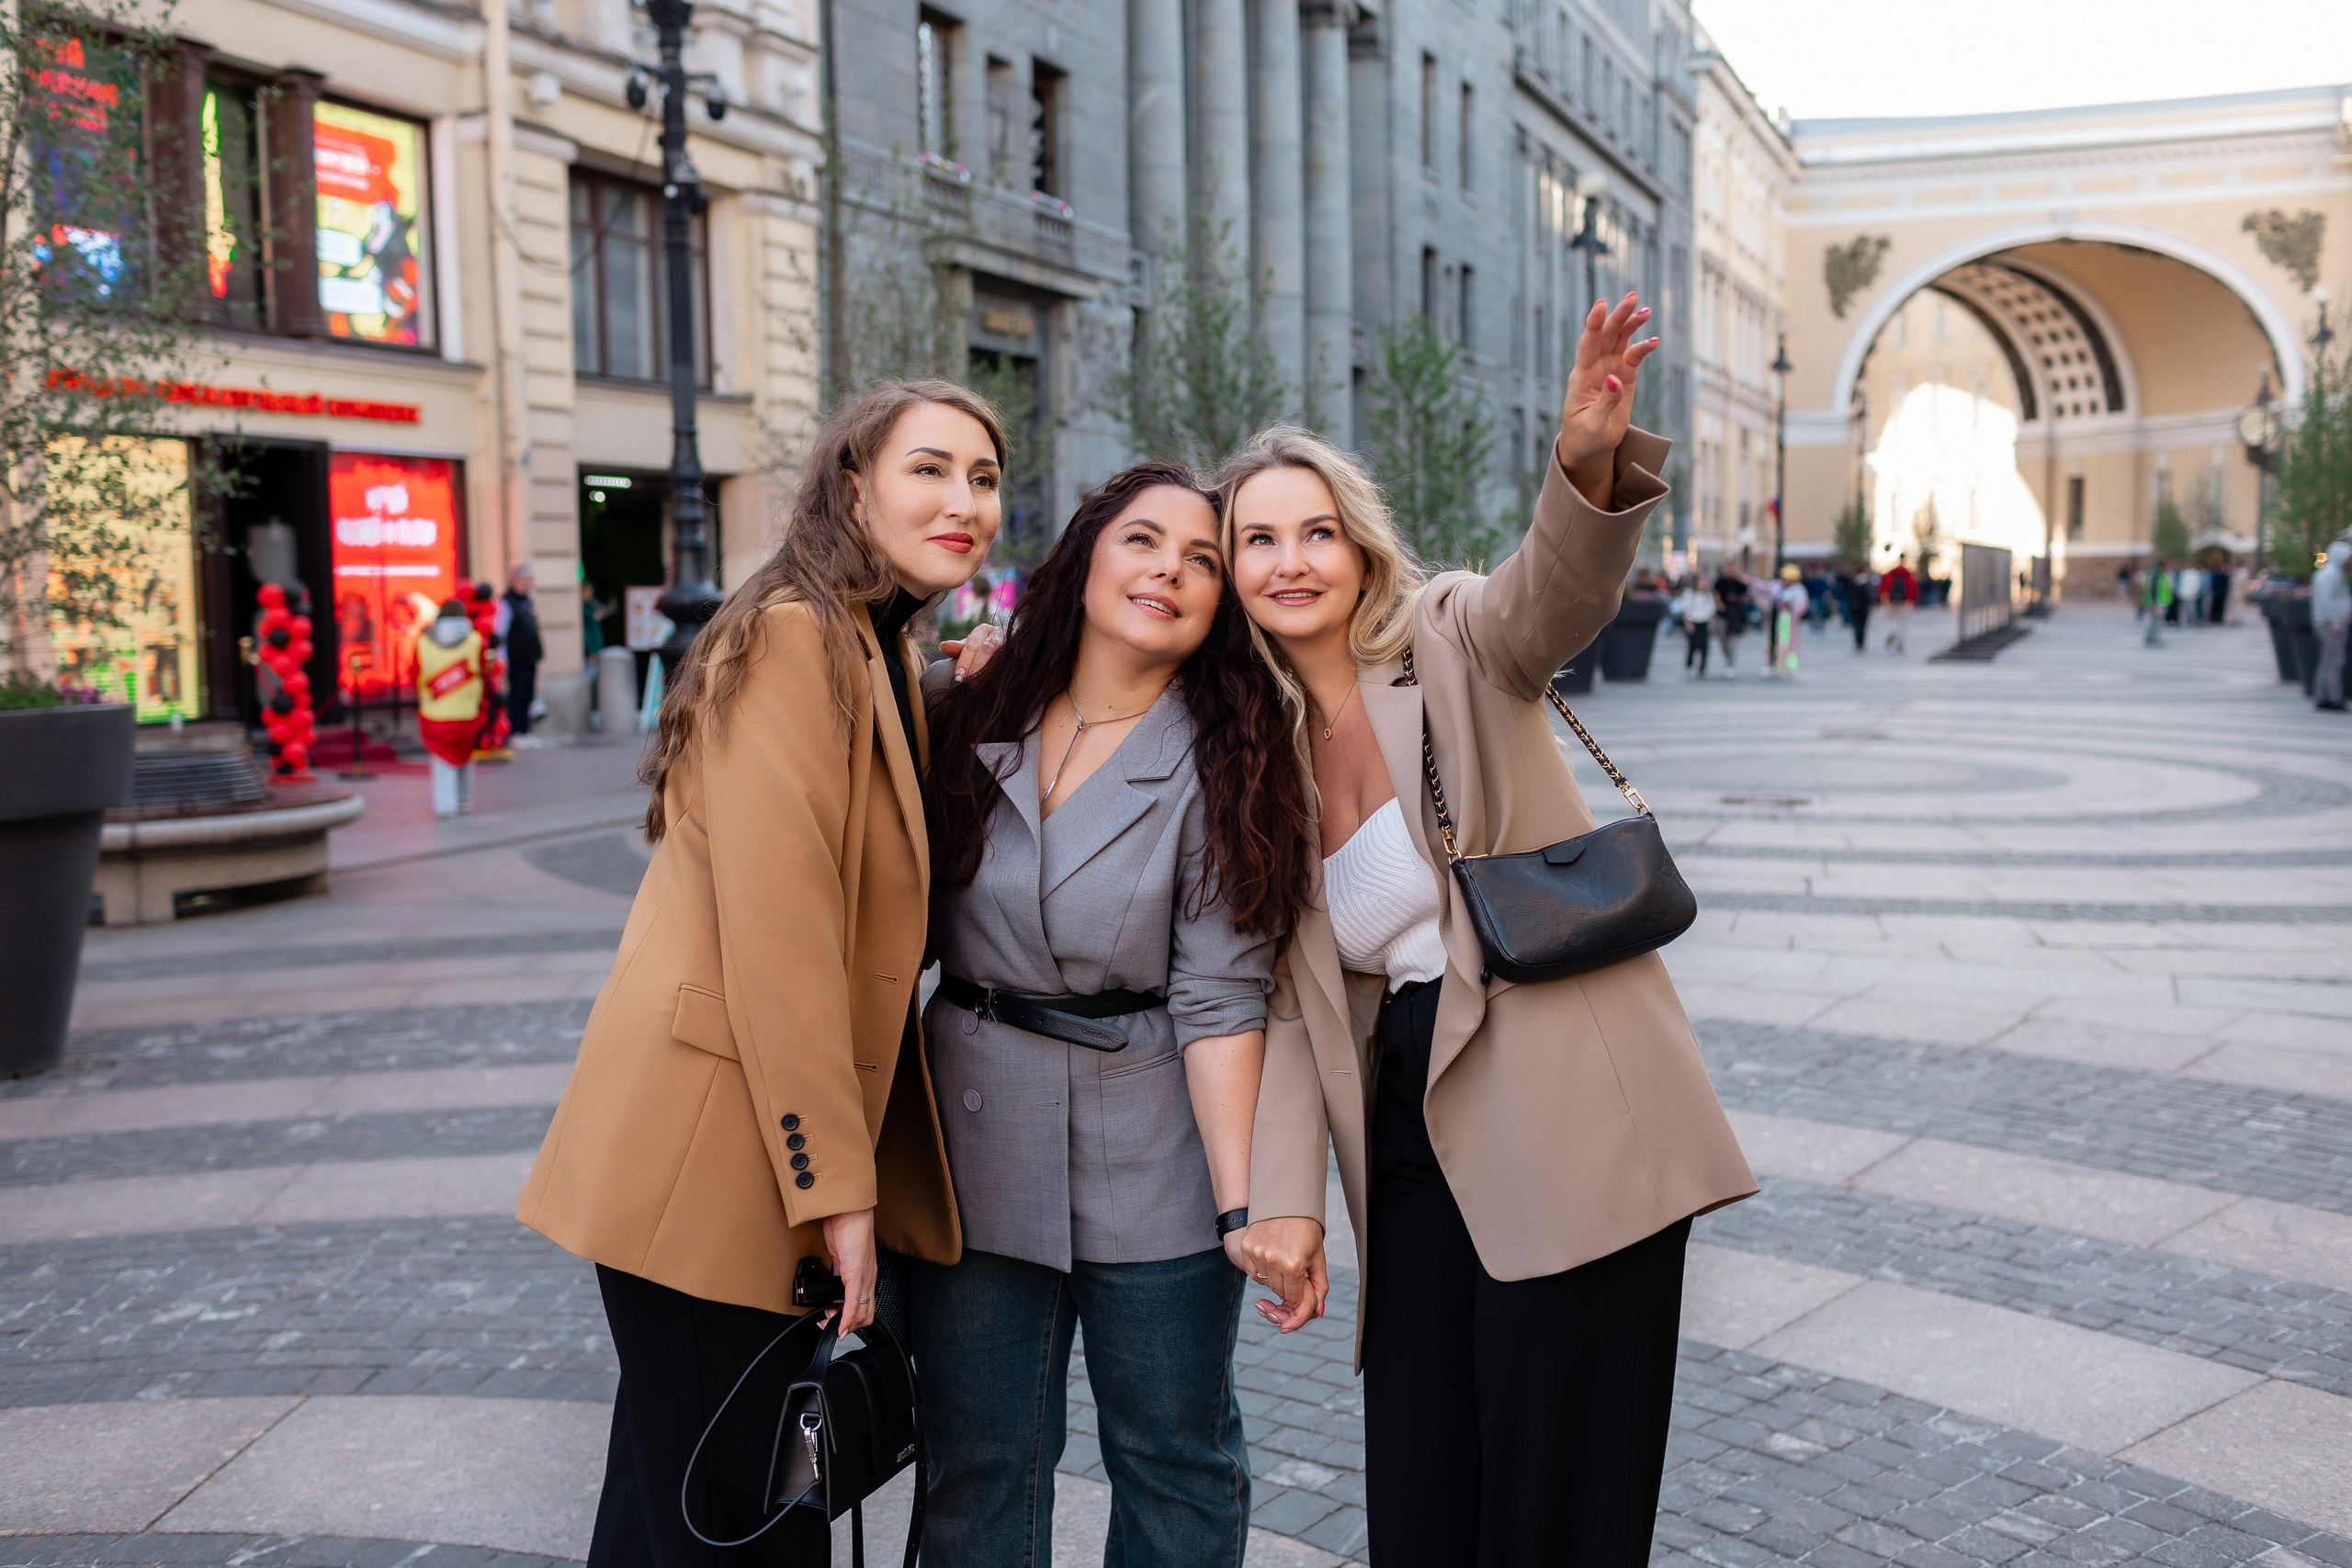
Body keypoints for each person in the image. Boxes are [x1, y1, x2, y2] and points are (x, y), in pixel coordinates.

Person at [1227, 294, 1756, 1567]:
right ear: (1229, 567)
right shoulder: (1253, 755)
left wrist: (1581, 463)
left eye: (1316, 530)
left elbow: (1554, 600)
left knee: (1557, 1486)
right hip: (1407, 1124)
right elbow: (1296, 1002)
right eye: (1256, 538)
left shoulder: (1453, 637)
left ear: (1360, 548)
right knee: (1424, 1470)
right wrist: (1284, 1202)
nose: (1290, 558)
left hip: (1566, 1102)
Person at [516, 380, 1007, 1567]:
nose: (965, 500)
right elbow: (781, 935)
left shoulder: (869, 642)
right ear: (852, 485)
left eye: (986, 477)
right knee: (730, 1520)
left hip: (723, 1158)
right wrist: (837, 1193)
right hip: (716, 1167)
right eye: (930, 468)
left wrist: (943, 691)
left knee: (671, 1508)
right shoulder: (796, 635)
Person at [910, 462, 1317, 1568]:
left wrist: (1249, 1209)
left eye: (1199, 561)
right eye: (1144, 541)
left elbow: (1221, 994)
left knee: (1174, 1462)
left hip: (1155, 1149)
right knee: (976, 1464)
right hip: (972, 1134)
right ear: (1088, 552)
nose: (1169, 573)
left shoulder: (1230, 756)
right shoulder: (964, 707)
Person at [415, 598, 486, 818]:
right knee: (465, 757)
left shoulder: (423, 642)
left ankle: (446, 806)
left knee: (441, 761)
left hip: (434, 714)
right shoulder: (475, 640)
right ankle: (464, 800)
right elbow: (484, 670)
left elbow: (414, 674)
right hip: (467, 713)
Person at [496, 562, 545, 746]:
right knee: (517, 694)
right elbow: (501, 631)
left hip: (529, 656)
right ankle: (516, 732)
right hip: (516, 658)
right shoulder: (506, 602)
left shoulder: (526, 600)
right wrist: (502, 658)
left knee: (527, 695)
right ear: (518, 579)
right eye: (528, 578)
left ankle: (525, 731)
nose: (531, 581)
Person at [2314, 540, 2349, 711]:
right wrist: (2335, 620)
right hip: (2330, 624)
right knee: (2335, 660)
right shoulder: (2330, 575)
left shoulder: (2336, 575)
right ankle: (2335, 697)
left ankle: (2324, 696)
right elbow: (2325, 600)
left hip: (2332, 623)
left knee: (2328, 661)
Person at [1770, 563, 1808, 678]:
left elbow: (1802, 604)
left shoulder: (1798, 589)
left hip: (1790, 619)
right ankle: (1778, 663)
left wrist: (1791, 608)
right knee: (1778, 643)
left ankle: (1791, 664)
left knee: (1791, 643)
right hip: (1780, 618)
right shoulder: (1778, 587)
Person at [1713, 563, 1750, 675]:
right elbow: (1716, 595)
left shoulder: (1740, 584)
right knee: (1723, 641)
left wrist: (1738, 601)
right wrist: (1720, 605)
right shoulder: (1720, 582)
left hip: (1735, 617)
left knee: (1733, 642)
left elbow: (1746, 599)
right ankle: (1728, 660)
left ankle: (1730, 663)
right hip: (1723, 617)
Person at [1675, 571, 1713, 677]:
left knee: (1704, 645)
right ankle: (1689, 663)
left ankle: (1702, 667)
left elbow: (1710, 610)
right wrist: (1688, 623)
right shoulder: (1689, 594)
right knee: (1693, 645)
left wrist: (1710, 624)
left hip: (1703, 621)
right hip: (1693, 621)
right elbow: (1685, 610)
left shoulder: (1707, 594)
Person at [1880, 556, 1916, 652]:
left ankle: (1892, 631)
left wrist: (1884, 600)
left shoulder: (1889, 575)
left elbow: (1883, 589)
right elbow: (1913, 589)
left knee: (1892, 620)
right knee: (1902, 623)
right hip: (1905, 603)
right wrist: (1911, 601)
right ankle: (1900, 641)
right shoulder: (1908, 576)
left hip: (1891, 602)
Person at [1842, 564, 1875, 651]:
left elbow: (1849, 593)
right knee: (1862, 626)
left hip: (1855, 607)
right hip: (1864, 607)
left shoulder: (1852, 581)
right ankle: (1861, 642)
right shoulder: (1866, 582)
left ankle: (1858, 642)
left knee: (1857, 626)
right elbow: (1869, 595)